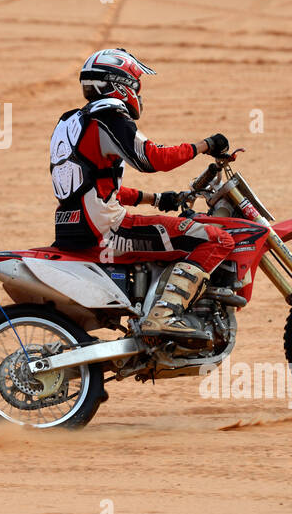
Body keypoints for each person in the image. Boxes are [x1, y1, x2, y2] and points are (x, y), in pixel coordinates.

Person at [49, 48, 235, 337]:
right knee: (218, 240)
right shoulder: (108, 117)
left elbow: (98, 187)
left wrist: (158, 199)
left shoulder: (72, 122)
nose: (139, 91)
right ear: (122, 83)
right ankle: (164, 316)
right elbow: (153, 159)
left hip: (72, 226)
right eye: (137, 84)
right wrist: (206, 145)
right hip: (107, 229)